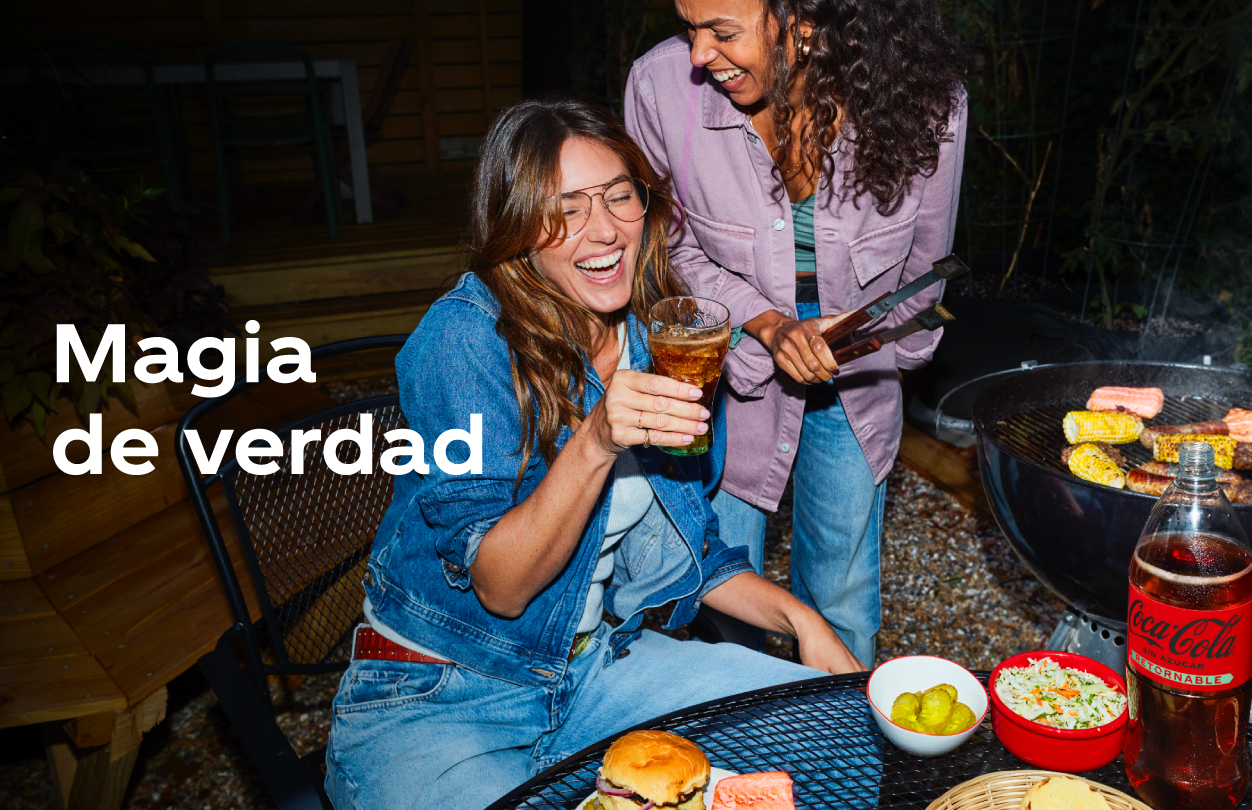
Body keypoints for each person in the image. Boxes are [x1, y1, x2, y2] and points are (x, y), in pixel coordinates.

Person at [324, 98, 863, 810]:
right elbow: (500, 585)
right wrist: (599, 438)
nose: (604, 229)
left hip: (595, 672)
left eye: (618, 196)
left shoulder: (660, 339)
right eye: (566, 209)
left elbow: (694, 548)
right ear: (515, 226)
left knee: (840, 729)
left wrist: (804, 620)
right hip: (439, 696)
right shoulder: (465, 339)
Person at [625, 0, 968, 666]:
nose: (698, 54)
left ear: (805, 23)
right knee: (721, 597)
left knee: (841, 606)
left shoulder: (929, 103)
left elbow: (928, 261)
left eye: (723, 32)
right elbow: (664, 249)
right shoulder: (660, 88)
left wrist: (889, 360)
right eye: (688, 27)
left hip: (855, 381)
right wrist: (770, 323)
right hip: (729, 378)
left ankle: (840, 761)